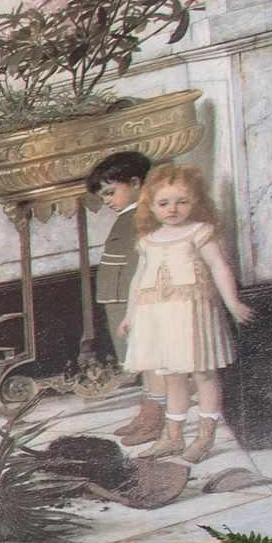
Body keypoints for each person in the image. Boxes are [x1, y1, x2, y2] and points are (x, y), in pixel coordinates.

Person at [120, 161, 254, 462]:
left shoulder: (200, 232)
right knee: (173, 377)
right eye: (164, 203)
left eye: (182, 202)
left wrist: (232, 303)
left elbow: (219, 267)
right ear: (151, 206)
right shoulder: (148, 241)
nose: (173, 209)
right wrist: (130, 315)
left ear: (195, 202)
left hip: (194, 315)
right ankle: (173, 437)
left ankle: (205, 437)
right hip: (160, 316)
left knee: (204, 373)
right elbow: (138, 281)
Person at [84, 150, 156, 440]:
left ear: (136, 183)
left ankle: (155, 417)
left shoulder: (145, 216)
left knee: (151, 362)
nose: (107, 201)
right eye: (103, 196)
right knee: (140, 362)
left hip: (135, 301)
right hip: (120, 300)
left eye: (111, 192)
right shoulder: (129, 216)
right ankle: (148, 412)